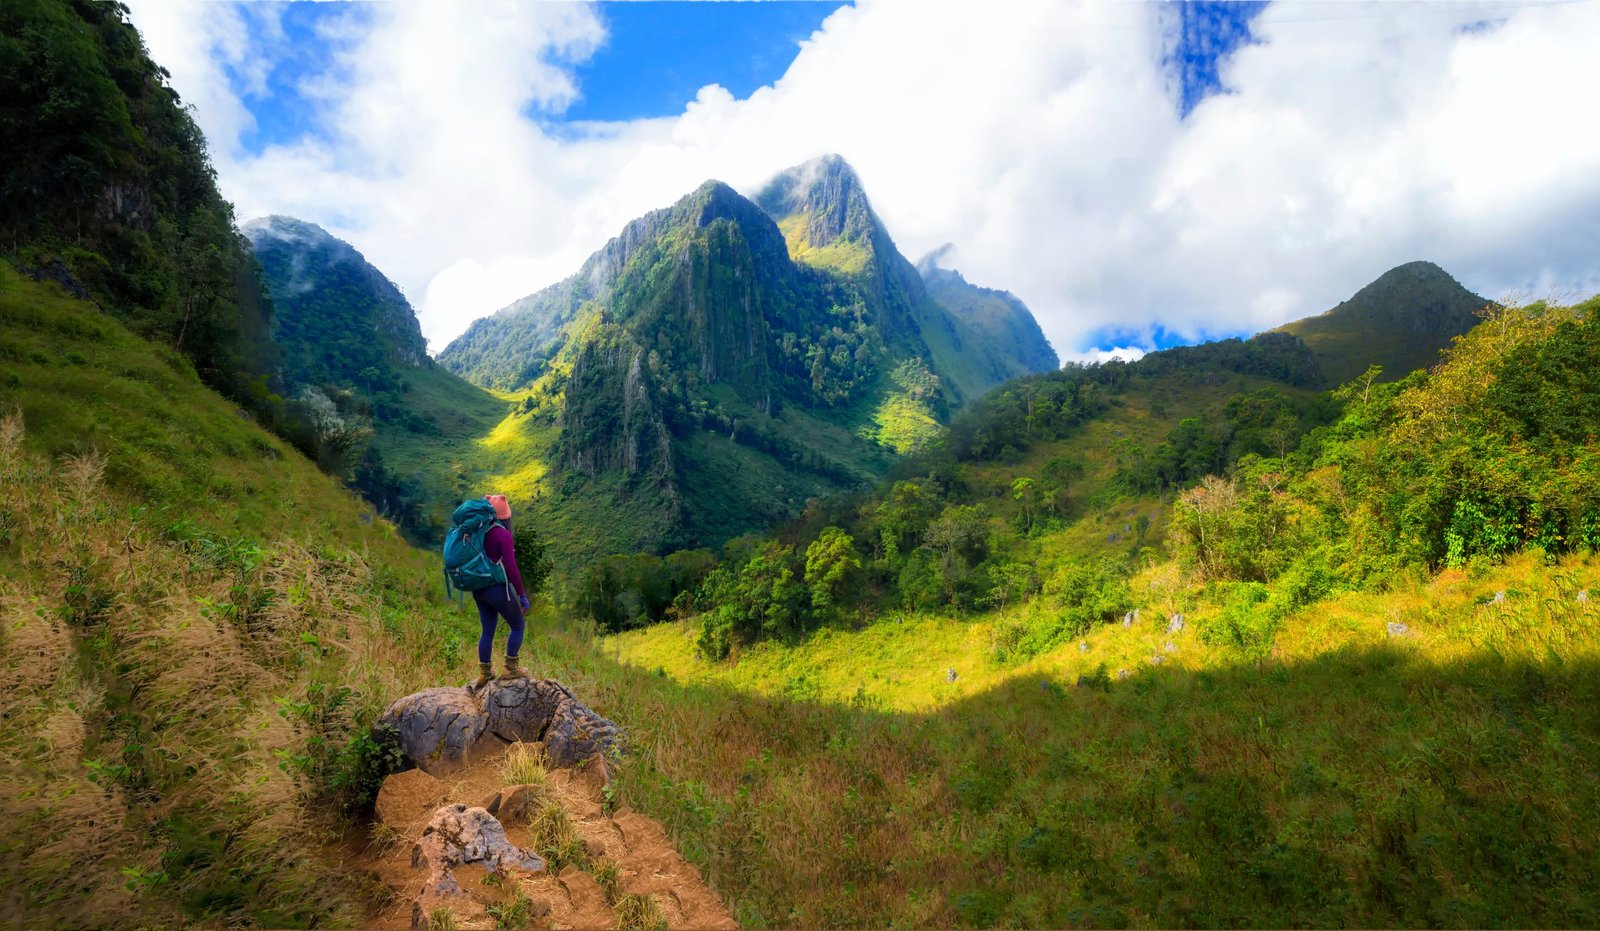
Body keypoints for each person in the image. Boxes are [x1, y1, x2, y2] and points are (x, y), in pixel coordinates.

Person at [473, 494, 530, 689]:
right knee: (518, 626)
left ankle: (485, 674)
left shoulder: (477, 531)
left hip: (478, 590)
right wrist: (522, 595)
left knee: (487, 631)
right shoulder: (503, 535)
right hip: (496, 589)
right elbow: (512, 569)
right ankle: (511, 667)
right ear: (506, 516)